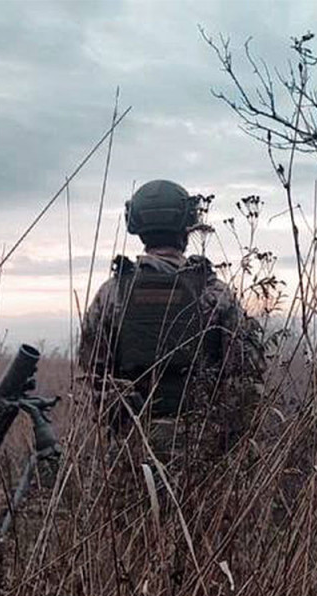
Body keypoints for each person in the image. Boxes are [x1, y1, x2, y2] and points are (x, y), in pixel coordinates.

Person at [78, 179, 264, 466]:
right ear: (188, 225)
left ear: (136, 225)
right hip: (203, 449)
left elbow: (94, 376)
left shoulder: (111, 294)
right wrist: (224, 440)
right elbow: (245, 374)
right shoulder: (214, 293)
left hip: (131, 449)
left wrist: (123, 427)